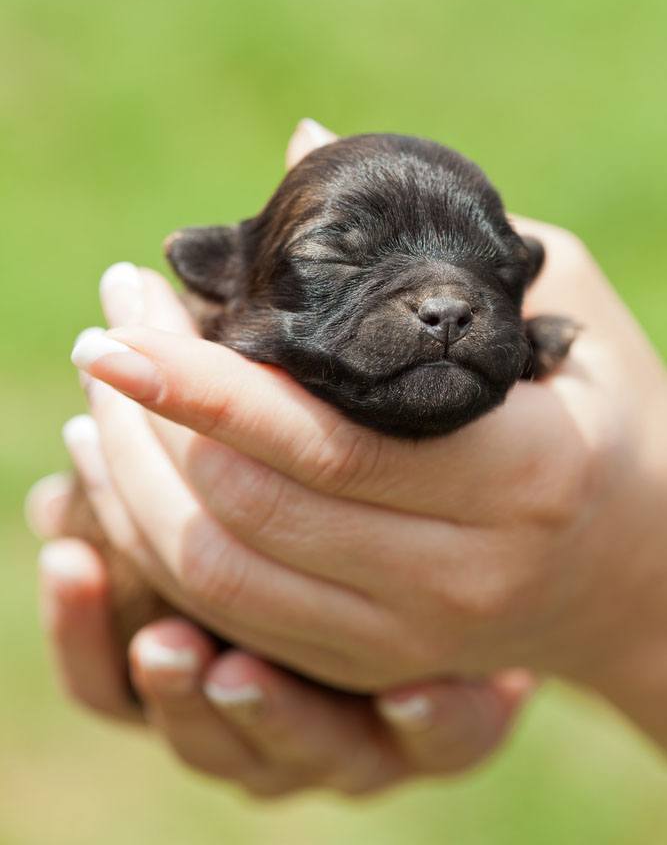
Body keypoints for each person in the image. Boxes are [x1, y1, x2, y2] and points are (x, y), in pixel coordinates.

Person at [27, 122, 667, 795]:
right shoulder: (212, 340)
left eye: (493, 269)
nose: (445, 302)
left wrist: (631, 598)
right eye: (337, 259)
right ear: (221, 276)